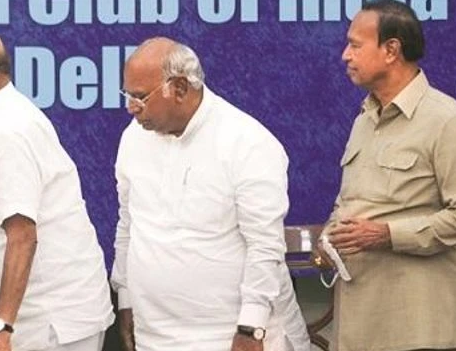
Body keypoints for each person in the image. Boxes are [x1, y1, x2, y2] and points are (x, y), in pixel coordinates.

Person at [111, 37, 310, 351]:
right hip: (154, 336)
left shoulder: (247, 142)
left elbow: (265, 245)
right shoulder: (133, 138)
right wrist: (125, 298)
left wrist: (251, 327)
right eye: (127, 95)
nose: (130, 107)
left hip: (232, 336)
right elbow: (128, 224)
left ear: (178, 89)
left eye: (140, 97)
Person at [0, 25, 114, 351]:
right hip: (19, 324)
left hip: (40, 327)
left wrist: (2, 325)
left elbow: (22, 236)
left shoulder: (8, 130)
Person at [316, 0, 456, 351]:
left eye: (355, 45)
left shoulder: (447, 121)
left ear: (391, 50)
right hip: (357, 330)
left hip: (418, 332)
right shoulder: (363, 121)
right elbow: (349, 203)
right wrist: (329, 239)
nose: (345, 56)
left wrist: (386, 235)